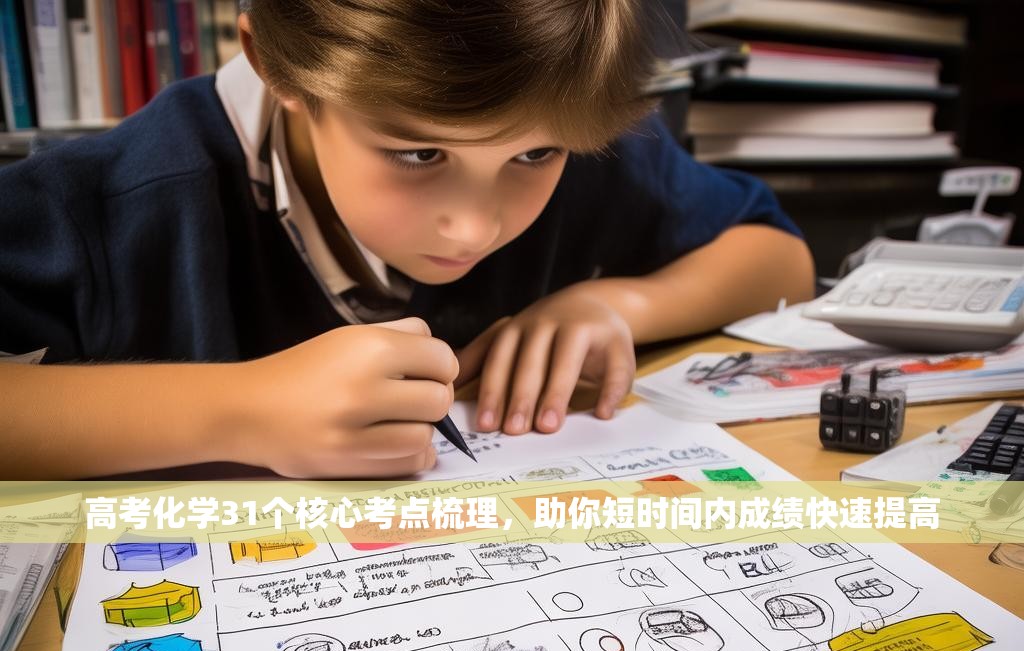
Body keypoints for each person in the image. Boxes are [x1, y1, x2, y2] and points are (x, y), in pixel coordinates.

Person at [0, 0, 814, 478]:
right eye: (419, 155)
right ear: (280, 68)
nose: (476, 226)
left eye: (533, 157)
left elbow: (780, 259)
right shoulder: (115, 199)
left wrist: (619, 304)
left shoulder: (567, 109)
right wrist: (237, 411)